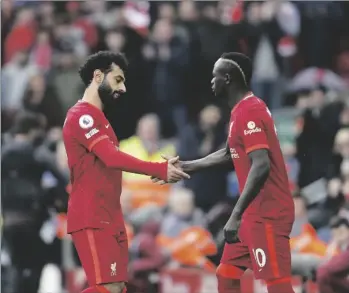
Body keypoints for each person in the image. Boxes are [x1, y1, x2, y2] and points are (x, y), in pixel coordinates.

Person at [153, 52, 295, 293]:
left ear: (228, 78)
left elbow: (261, 165)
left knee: (277, 284)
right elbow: (229, 153)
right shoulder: (239, 111)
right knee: (226, 274)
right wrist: (187, 165)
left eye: (215, 76)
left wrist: (235, 214)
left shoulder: (251, 110)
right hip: (253, 212)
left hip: (268, 211)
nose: (211, 82)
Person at [62, 51, 189, 293]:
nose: (123, 88)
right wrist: (159, 169)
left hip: (111, 214)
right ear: (98, 76)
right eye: (118, 79)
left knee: (119, 287)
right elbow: (110, 158)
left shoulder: (101, 119)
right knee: (107, 287)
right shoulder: (81, 116)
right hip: (92, 214)